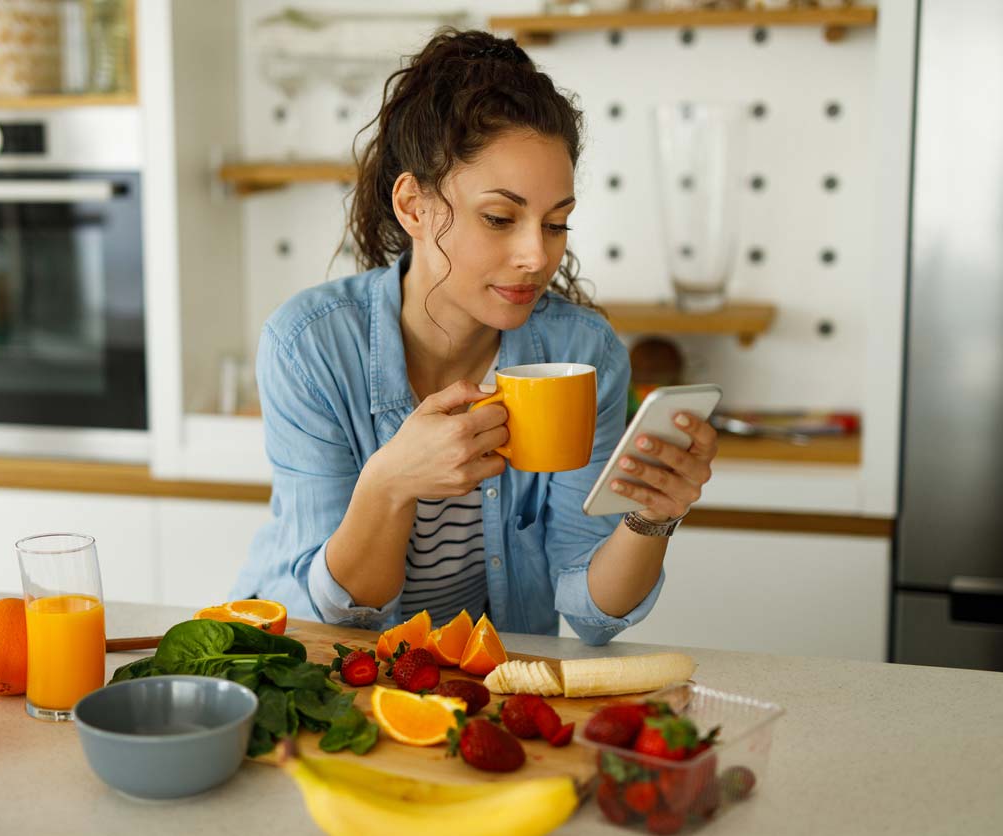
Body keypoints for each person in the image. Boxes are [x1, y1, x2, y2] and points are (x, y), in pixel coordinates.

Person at [231, 29, 718, 645]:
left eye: (556, 223)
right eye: (499, 218)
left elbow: (591, 612)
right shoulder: (310, 347)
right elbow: (338, 620)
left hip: (482, 687)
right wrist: (390, 483)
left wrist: (652, 518)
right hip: (307, 665)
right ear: (413, 205)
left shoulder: (583, 355)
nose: (534, 256)